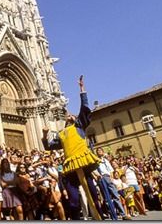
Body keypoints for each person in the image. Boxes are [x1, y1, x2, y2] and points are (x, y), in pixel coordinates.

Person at [42, 75, 102, 220]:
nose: (70, 115)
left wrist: (82, 89)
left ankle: (100, 217)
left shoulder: (79, 126)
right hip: (70, 167)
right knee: (74, 200)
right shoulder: (61, 134)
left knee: (93, 193)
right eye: (69, 115)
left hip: (83, 162)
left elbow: (84, 108)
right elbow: (49, 147)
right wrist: (44, 136)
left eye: (72, 115)